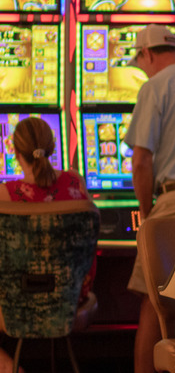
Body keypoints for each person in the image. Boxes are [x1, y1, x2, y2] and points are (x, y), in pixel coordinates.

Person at [0, 117, 92, 373]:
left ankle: (10, 368)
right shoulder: (76, 183)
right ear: (53, 146)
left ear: (14, 152)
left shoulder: (5, 195)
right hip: (69, 299)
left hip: (15, 303)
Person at [123, 24, 175, 373]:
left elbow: (142, 161)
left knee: (154, 304)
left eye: (140, 61)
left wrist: (146, 215)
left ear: (147, 54)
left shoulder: (156, 86)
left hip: (171, 202)